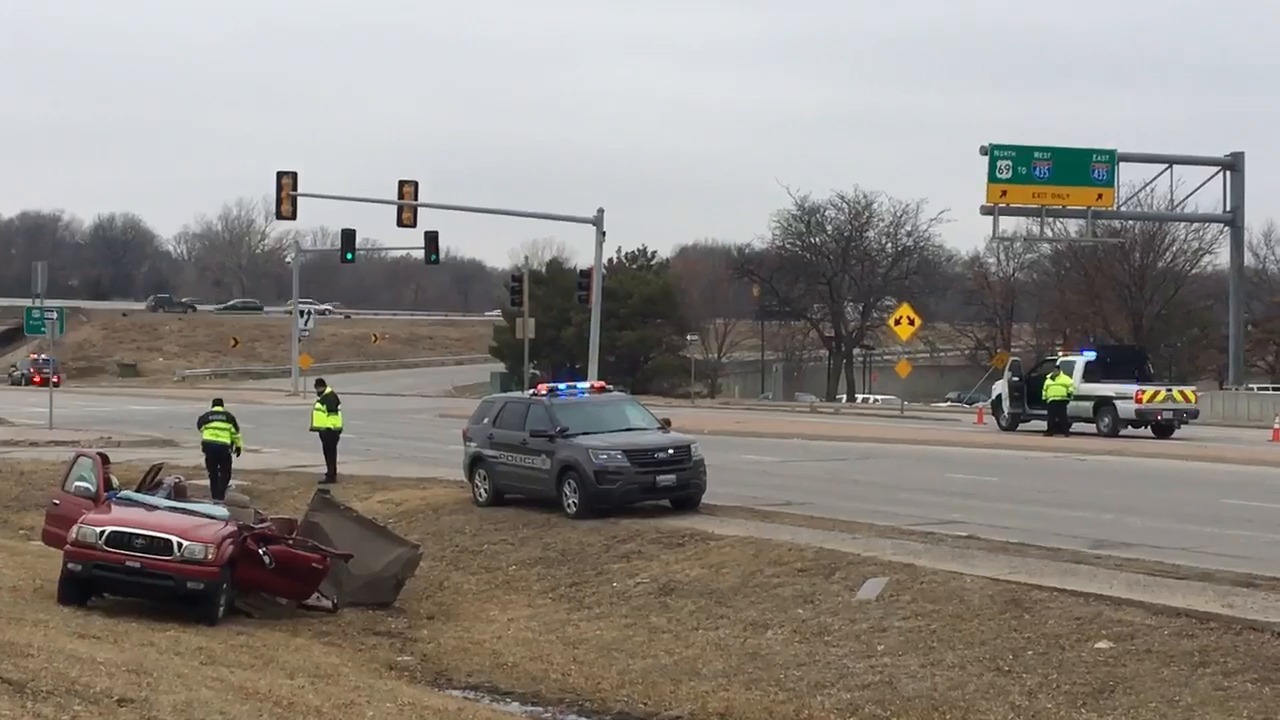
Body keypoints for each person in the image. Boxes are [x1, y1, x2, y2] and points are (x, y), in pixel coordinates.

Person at [196, 398, 243, 501]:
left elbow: (200, 427)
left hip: (209, 446)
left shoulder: (206, 416)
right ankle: (221, 493)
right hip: (223, 447)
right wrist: (238, 446)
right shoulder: (229, 417)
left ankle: (215, 495)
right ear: (223, 406)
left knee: (212, 472)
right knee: (225, 471)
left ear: (212, 406)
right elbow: (236, 433)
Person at [309, 378, 343, 484]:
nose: (316, 391)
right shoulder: (326, 396)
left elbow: (333, 415)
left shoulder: (329, 398)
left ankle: (331, 475)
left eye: (317, 388)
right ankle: (330, 473)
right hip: (326, 430)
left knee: (330, 453)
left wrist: (329, 428)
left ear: (321, 387)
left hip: (330, 430)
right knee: (329, 453)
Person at [1041, 362, 1075, 437]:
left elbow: (1071, 386)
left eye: (1056, 370)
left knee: (1063, 417)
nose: (1055, 372)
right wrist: (1044, 398)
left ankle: (1066, 432)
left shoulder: (1065, 378)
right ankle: (1050, 431)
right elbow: (1044, 389)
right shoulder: (1048, 379)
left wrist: (1069, 393)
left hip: (1062, 400)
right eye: (1054, 370)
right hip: (1052, 400)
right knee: (1051, 417)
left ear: (1059, 371)